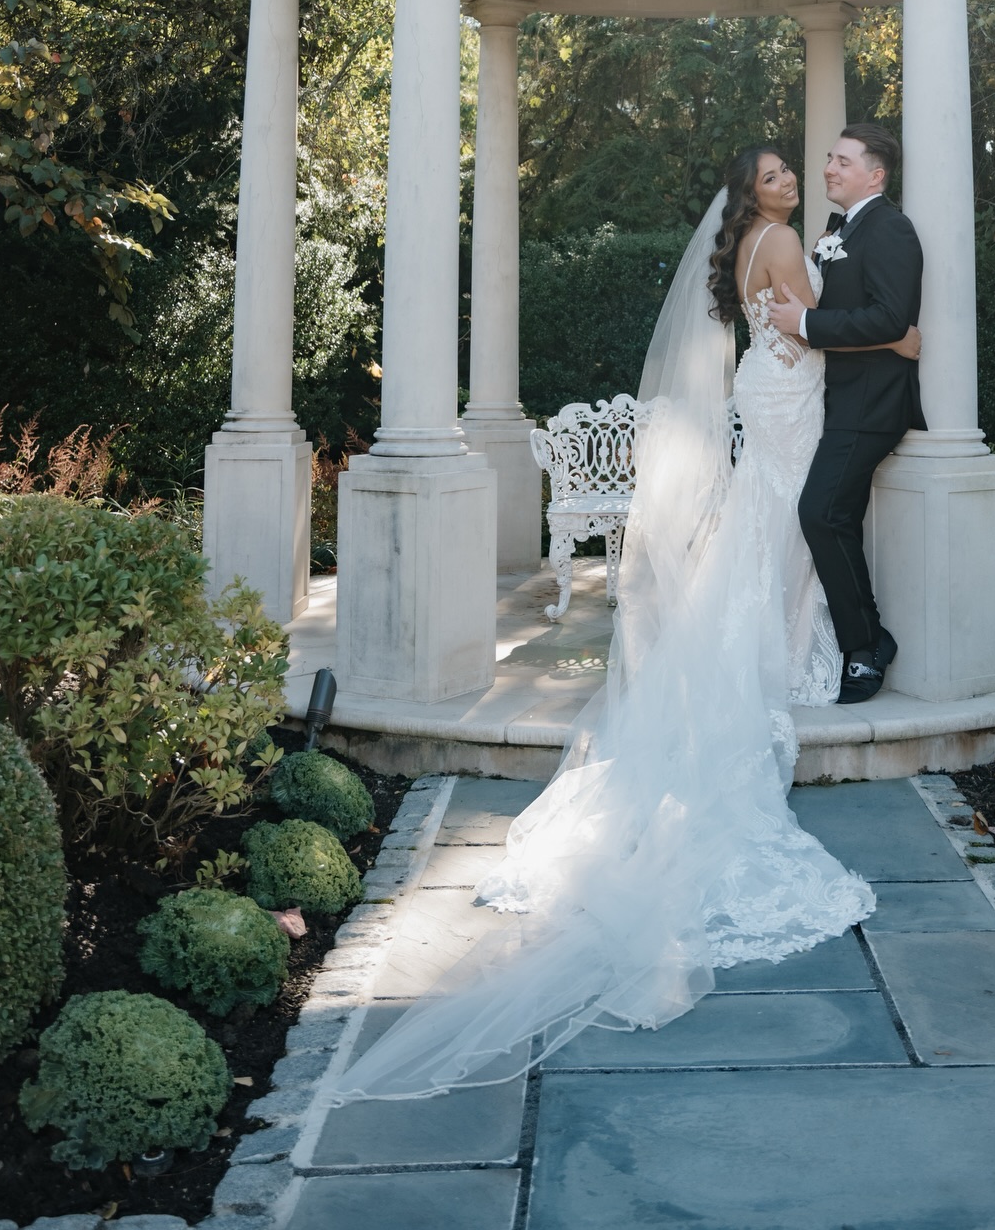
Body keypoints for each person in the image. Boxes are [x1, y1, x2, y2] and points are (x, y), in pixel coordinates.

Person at [327, 143, 919, 1105]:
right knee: (781, 524)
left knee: (769, 526)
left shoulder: (758, 242)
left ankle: (784, 637)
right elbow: (815, 329)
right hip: (790, 396)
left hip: (771, 397)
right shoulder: (777, 242)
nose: (792, 182)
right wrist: (895, 342)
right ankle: (789, 646)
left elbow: (797, 316)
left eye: (794, 172)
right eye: (775, 174)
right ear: (750, 194)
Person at [768, 124, 924, 703]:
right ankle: (858, 639)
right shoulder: (840, 228)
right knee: (833, 516)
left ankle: (867, 645)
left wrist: (806, 325)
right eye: (830, 159)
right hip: (834, 399)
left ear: (875, 174)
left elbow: (889, 316)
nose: (828, 168)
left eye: (842, 160)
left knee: (821, 512)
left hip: (870, 403)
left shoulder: (890, 228)